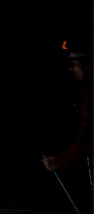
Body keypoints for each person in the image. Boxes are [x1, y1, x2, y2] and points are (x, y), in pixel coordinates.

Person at [42, 41, 92, 172]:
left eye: (75, 65)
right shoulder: (85, 91)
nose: (71, 69)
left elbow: (87, 138)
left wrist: (58, 161)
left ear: (88, 67)